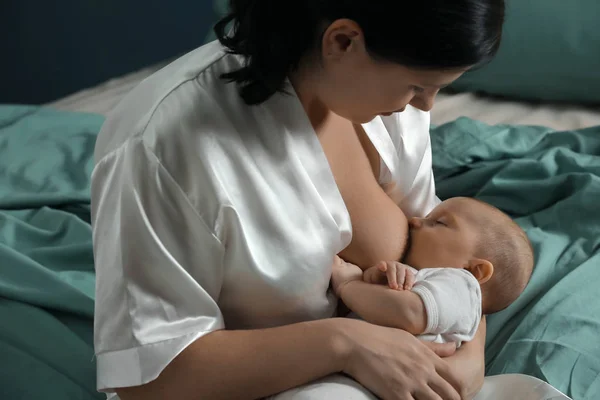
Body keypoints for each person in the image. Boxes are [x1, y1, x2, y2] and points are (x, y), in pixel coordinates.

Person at [90, 1, 506, 399]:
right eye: (418, 86)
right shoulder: (162, 144)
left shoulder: (389, 100)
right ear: (342, 41)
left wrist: (469, 360)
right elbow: (150, 378)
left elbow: (453, 261)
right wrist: (346, 344)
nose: (425, 105)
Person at [331, 197, 535, 345]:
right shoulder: (437, 289)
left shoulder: (463, 288)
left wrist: (350, 285)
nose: (414, 221)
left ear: (475, 271)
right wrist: (379, 278)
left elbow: (408, 312)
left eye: (439, 222)